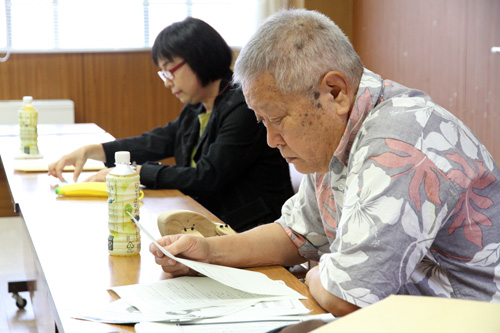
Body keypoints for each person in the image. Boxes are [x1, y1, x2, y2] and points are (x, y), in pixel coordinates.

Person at [149, 8, 500, 318]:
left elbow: (349, 297)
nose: (271, 140)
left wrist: (316, 272)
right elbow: (294, 234)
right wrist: (207, 253)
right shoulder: (339, 132)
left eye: (277, 118)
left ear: (335, 91)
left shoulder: (398, 144)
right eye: (262, 122)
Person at [48, 17, 294, 232]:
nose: (167, 82)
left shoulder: (243, 105)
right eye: (163, 73)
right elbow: (158, 141)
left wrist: (136, 172)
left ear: (199, 59)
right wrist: (94, 151)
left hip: (251, 228)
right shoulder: (199, 106)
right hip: (211, 218)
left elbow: (206, 177)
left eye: (170, 70)